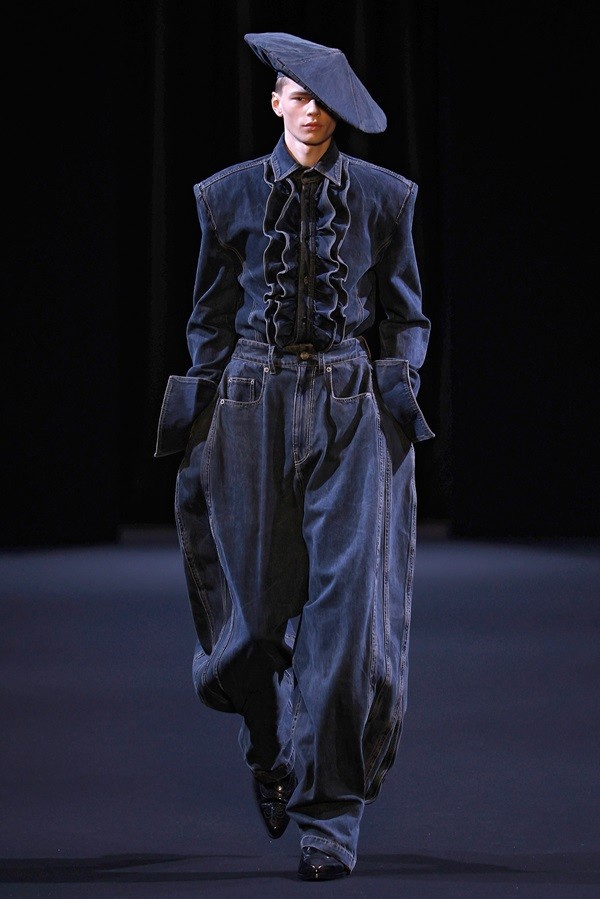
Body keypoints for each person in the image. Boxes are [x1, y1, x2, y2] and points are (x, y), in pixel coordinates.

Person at [155, 31, 434, 881]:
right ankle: (271, 743)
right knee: (248, 627)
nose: (311, 111)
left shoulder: (385, 198)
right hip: (251, 402)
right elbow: (208, 317)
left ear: (340, 112)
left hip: (350, 407)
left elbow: (406, 311)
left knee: (346, 627)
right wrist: (201, 415)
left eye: (325, 100)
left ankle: (329, 821)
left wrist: (397, 385)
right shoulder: (226, 196)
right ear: (276, 100)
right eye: (297, 95)